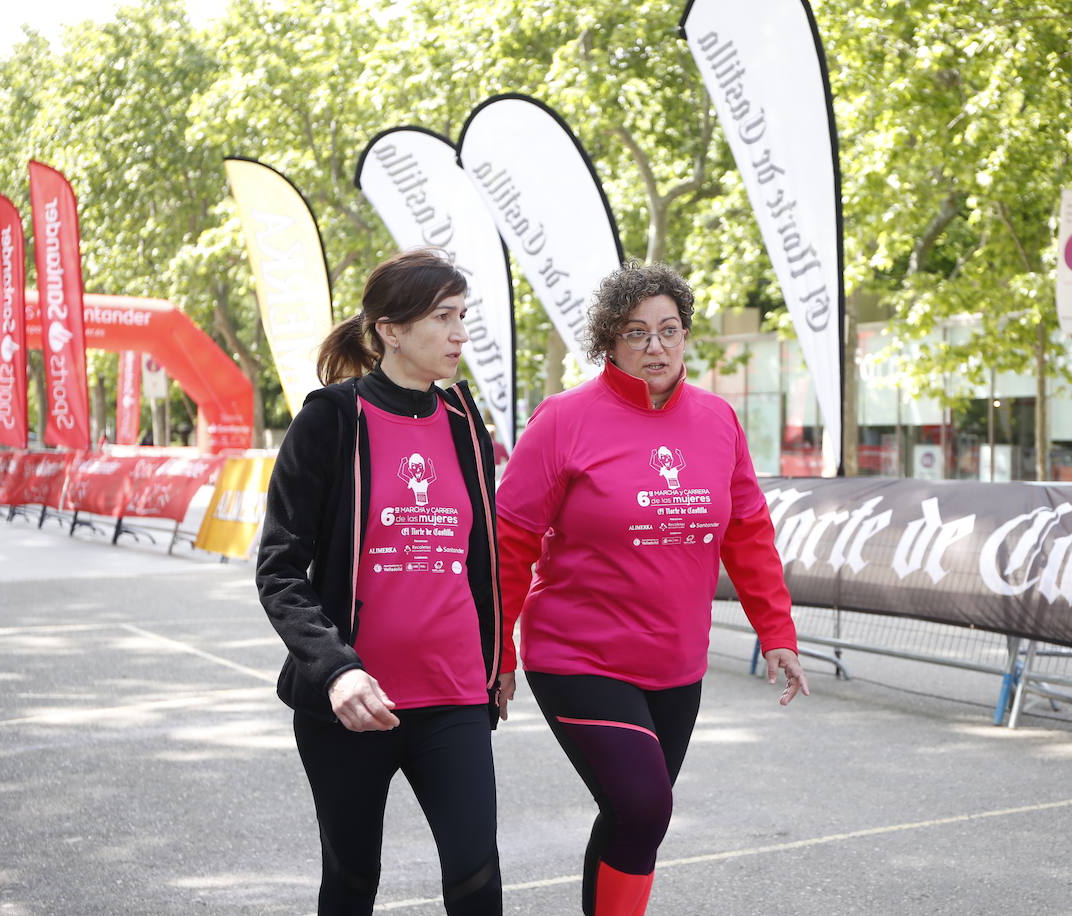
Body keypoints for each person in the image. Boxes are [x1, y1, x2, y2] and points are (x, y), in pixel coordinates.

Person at [495, 260, 809, 916]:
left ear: (687, 337)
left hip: (675, 663)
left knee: (636, 820)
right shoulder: (563, 421)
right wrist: (496, 650)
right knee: (643, 804)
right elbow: (510, 542)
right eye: (637, 334)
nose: (656, 347)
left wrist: (775, 631)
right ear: (608, 343)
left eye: (670, 330)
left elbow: (748, 531)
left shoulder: (718, 421)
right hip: (578, 656)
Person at [255, 248, 509, 916]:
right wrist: (337, 669)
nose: (460, 334)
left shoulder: (463, 422)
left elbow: (481, 557)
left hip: (452, 693)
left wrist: (496, 661)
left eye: (463, 316)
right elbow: (280, 569)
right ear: (390, 329)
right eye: (443, 317)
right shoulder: (331, 420)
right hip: (352, 706)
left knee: (478, 880)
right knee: (351, 883)